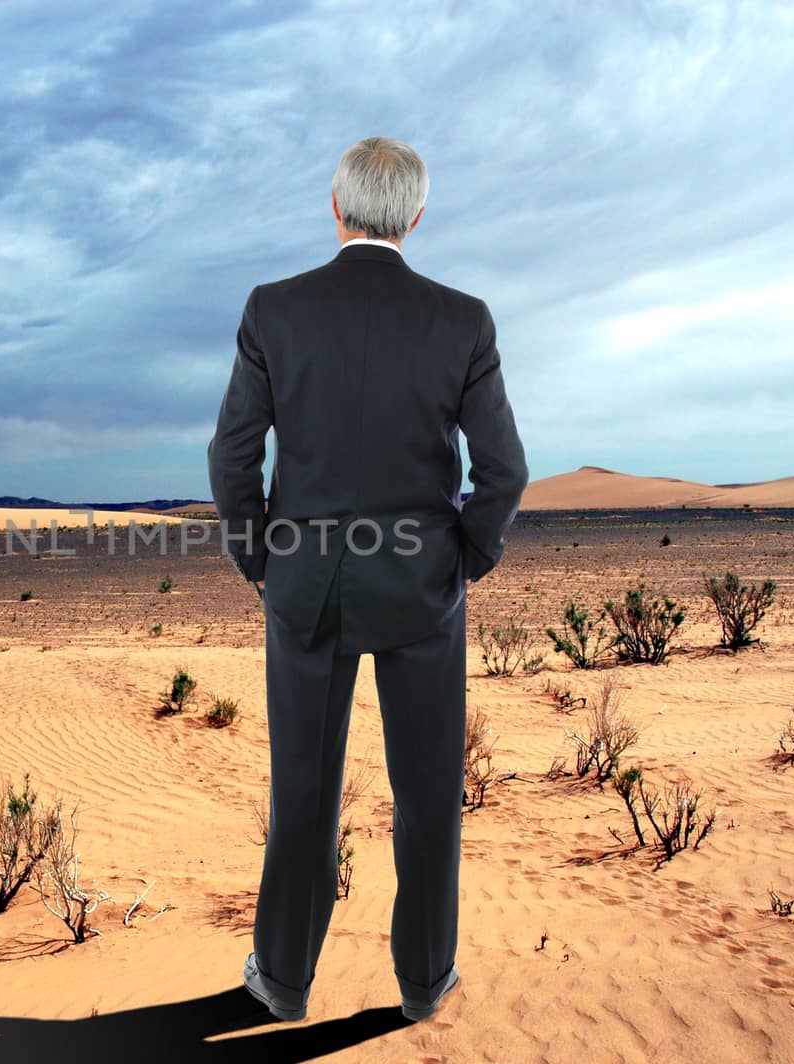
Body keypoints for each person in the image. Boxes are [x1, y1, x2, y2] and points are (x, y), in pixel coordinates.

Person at [207, 135, 529, 1024]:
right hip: (423, 587)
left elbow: (232, 454)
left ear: (335, 205)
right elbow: (503, 471)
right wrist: (460, 559)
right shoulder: (463, 319)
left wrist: (262, 561)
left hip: (305, 585)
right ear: (416, 216)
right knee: (429, 795)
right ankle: (425, 983)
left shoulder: (274, 310)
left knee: (302, 793)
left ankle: (282, 980)